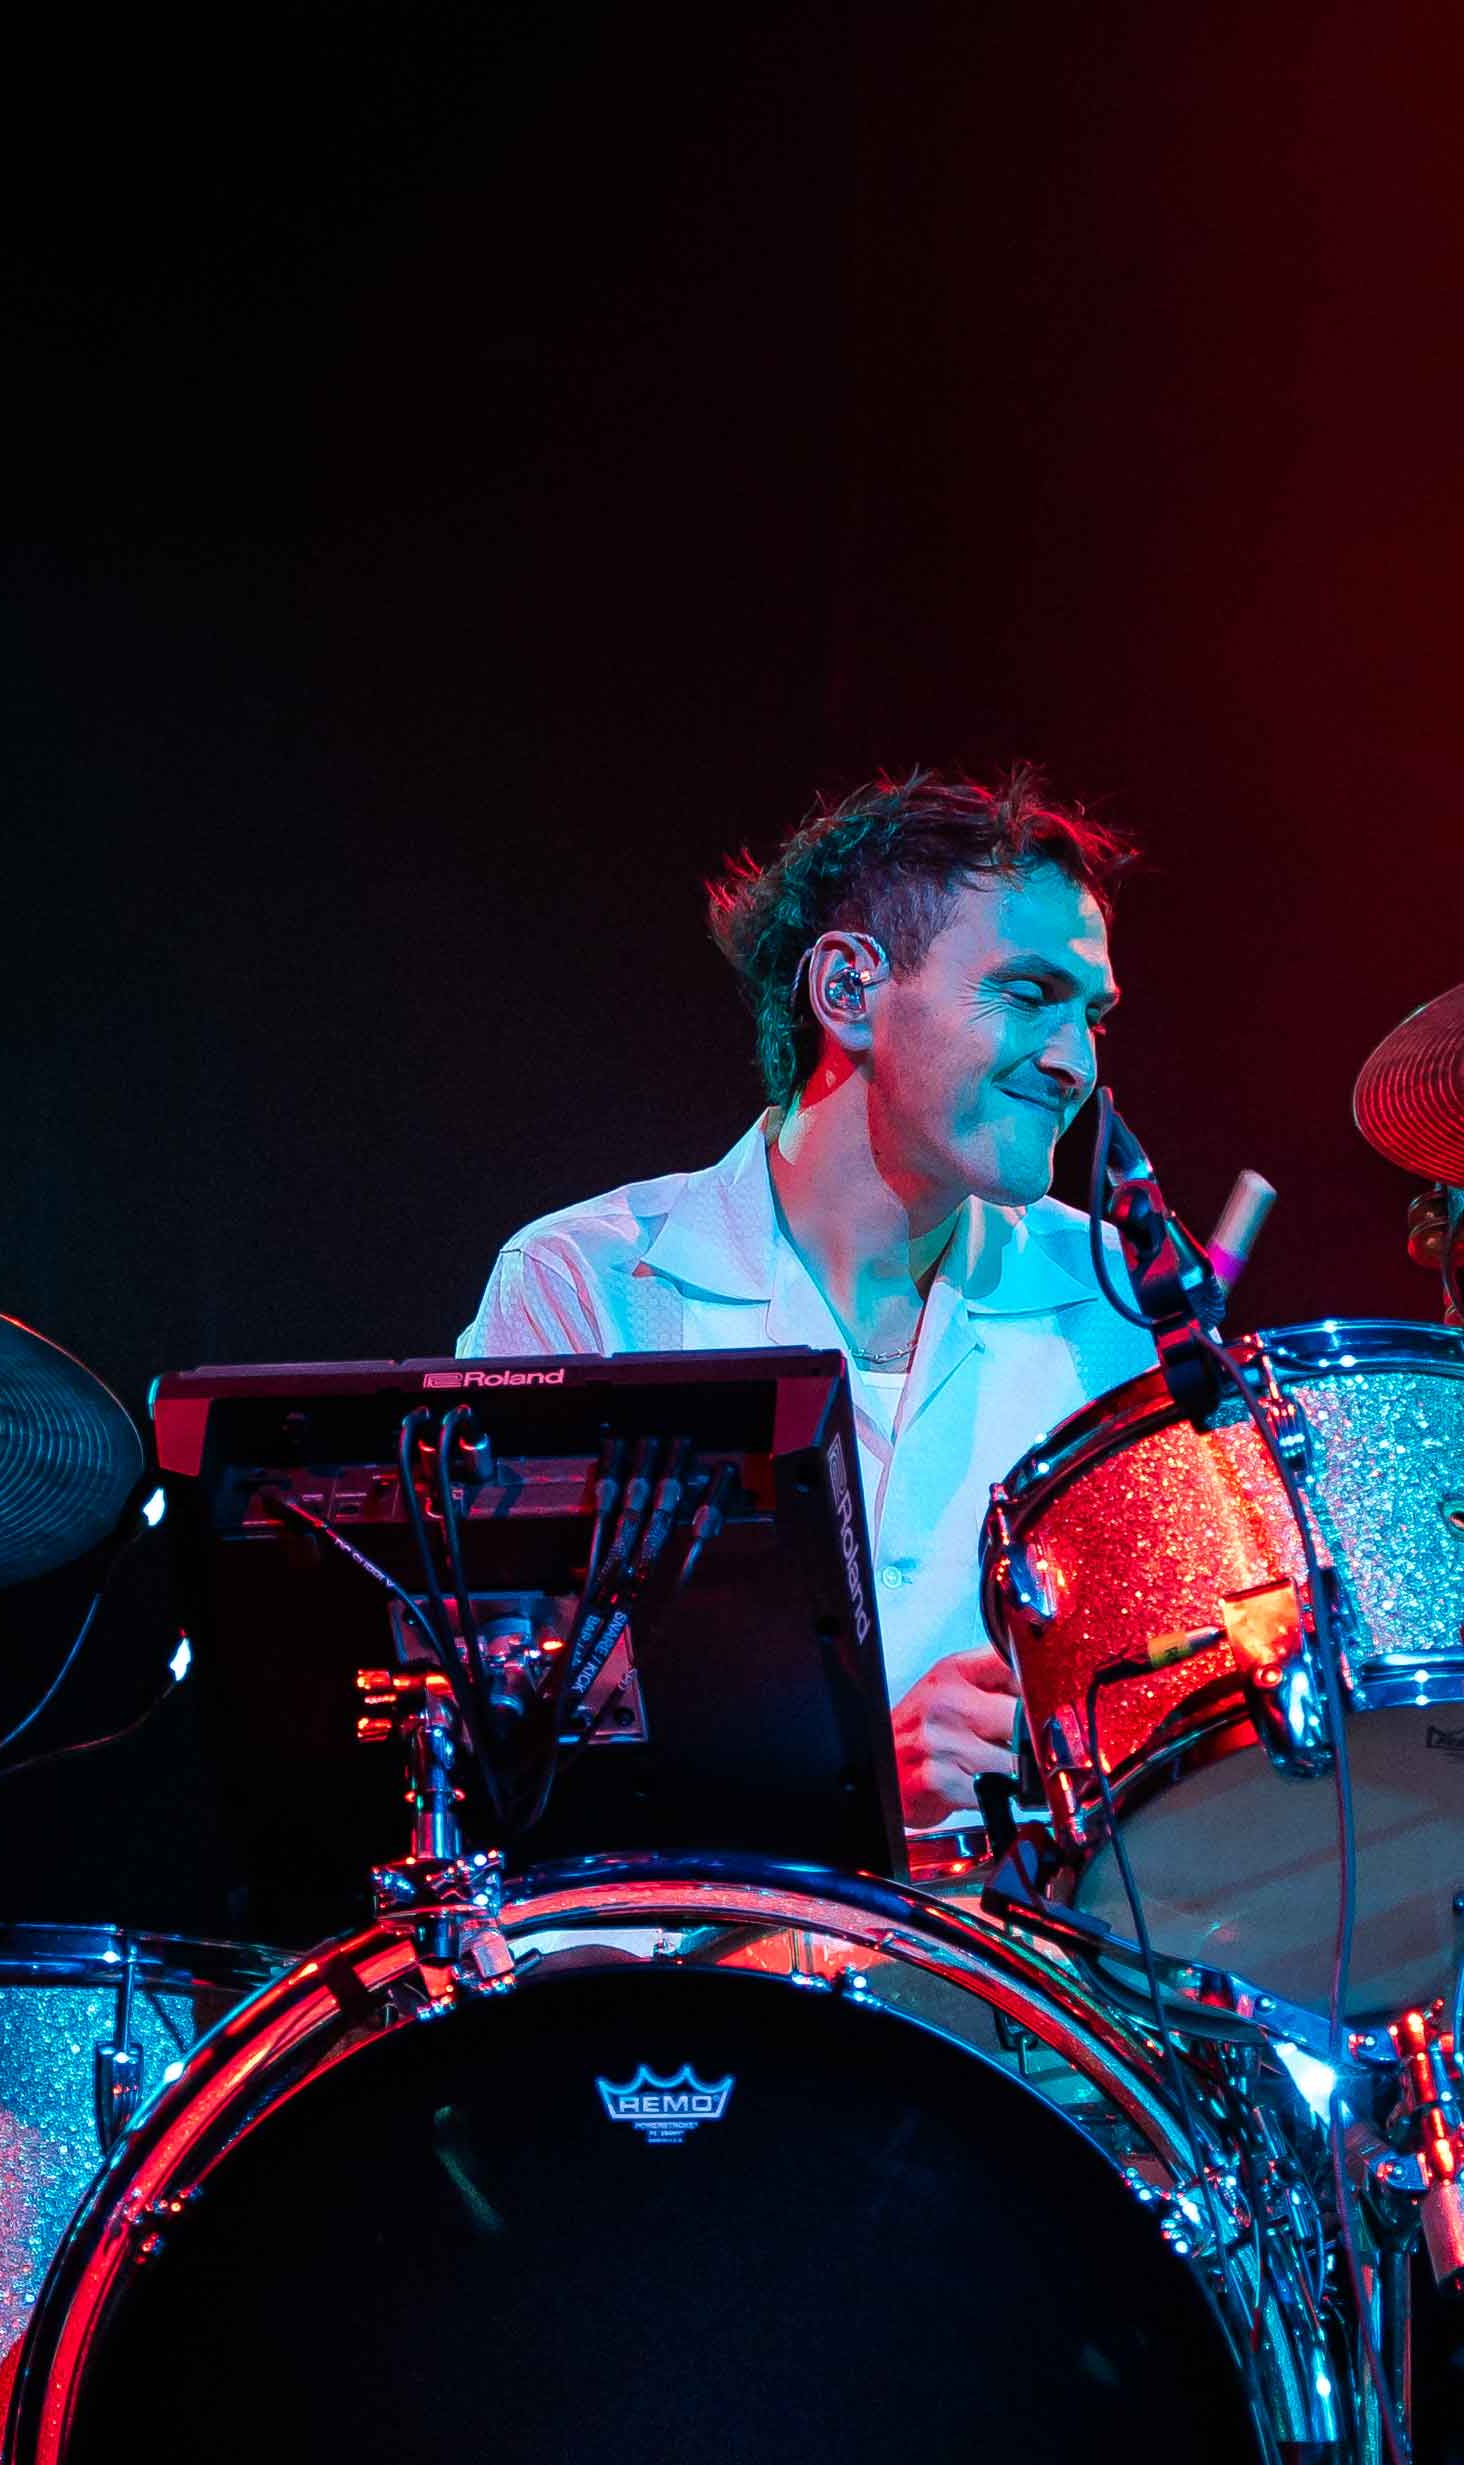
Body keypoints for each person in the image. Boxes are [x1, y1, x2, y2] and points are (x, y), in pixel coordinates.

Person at [457, 766, 1157, 1842]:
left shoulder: (1114, 1304)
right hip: (677, 1941)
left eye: (1092, 1017)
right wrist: (851, 1778)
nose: (1074, 1063)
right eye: (1028, 994)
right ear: (847, 990)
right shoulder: (585, 1288)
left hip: (1020, 1944)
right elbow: (493, 1756)